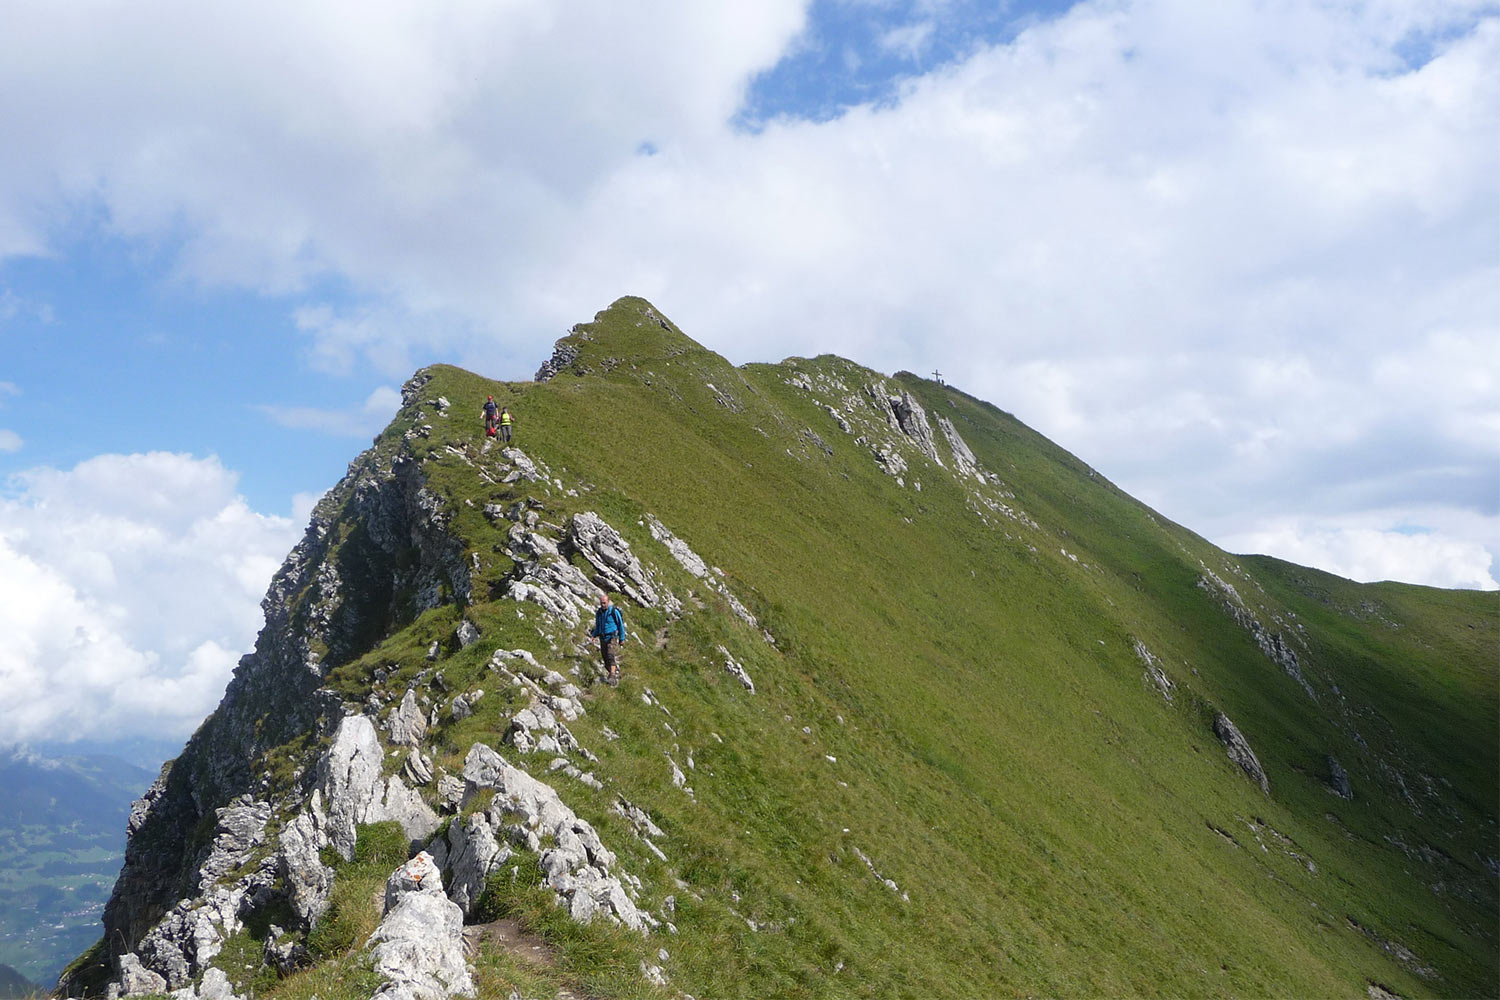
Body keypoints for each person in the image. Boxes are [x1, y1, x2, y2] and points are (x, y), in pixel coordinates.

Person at [589, 592, 626, 685]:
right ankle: (612, 674)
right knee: (605, 659)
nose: (603, 605)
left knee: (610, 655)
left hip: (612, 637)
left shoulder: (614, 611)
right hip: (602, 637)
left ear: (608, 602)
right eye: (601, 603)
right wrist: (594, 635)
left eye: (604, 603)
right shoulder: (599, 613)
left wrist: (622, 638)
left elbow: (620, 625)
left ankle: (612, 676)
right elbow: (598, 626)